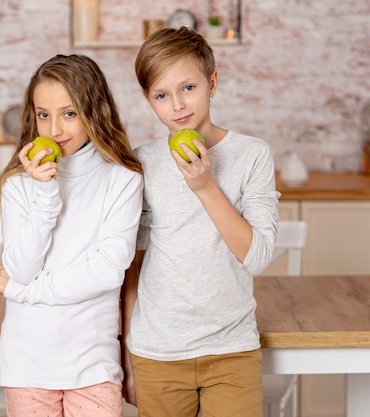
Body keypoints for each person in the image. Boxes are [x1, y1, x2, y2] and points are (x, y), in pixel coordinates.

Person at [120, 27, 280, 417]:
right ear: (148, 100)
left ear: (212, 82)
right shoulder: (142, 163)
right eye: (161, 95)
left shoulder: (252, 156)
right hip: (157, 352)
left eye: (188, 87)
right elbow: (133, 267)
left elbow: (257, 256)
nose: (177, 105)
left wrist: (205, 186)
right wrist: (126, 357)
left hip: (231, 350)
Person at [0, 54, 143, 417]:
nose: (54, 130)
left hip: (93, 365)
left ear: (97, 110)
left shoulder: (122, 181)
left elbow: (107, 271)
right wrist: (44, 194)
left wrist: (20, 291)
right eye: (44, 114)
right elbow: (22, 267)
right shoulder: (19, 187)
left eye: (69, 114)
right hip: (26, 364)